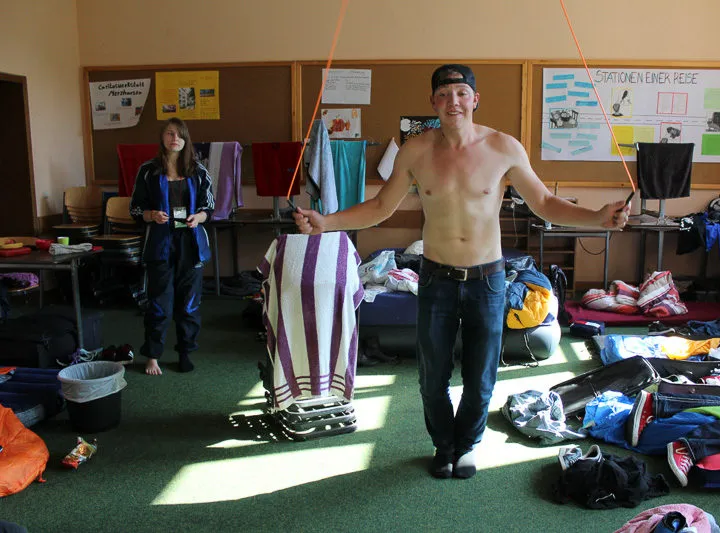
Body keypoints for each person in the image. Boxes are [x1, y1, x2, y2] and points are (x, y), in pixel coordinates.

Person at [293, 64, 631, 479]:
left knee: (480, 375)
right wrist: (326, 222)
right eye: (443, 94)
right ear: (433, 102)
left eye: (460, 93)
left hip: (487, 280)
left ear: (475, 99)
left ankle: (467, 444)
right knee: (432, 376)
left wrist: (597, 217)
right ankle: (444, 444)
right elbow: (380, 207)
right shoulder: (415, 150)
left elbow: (543, 202)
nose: (452, 101)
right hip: (436, 279)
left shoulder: (503, 147)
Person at [130, 118, 214, 376]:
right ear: (162, 138)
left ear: (186, 139)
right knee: (159, 304)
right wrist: (152, 215)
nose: (174, 138)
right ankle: (153, 355)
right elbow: (135, 209)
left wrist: (197, 218)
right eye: (169, 133)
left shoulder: (199, 171)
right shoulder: (148, 171)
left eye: (179, 134)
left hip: (191, 244)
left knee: (189, 304)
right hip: (160, 244)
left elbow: (209, 208)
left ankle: (185, 352)